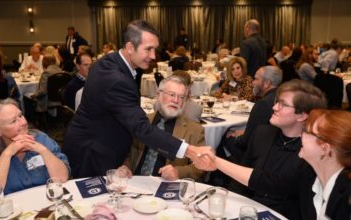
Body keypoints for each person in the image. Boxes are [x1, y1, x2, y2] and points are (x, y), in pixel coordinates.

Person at [62, 20, 212, 178]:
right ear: (130, 47)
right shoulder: (116, 79)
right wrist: (189, 150)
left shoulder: (108, 62)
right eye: (148, 49)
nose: (153, 56)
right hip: (93, 153)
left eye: (155, 49)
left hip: (94, 143)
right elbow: (141, 128)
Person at [196, 79, 327, 219]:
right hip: (249, 209)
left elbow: (270, 182)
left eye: (283, 104)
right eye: (277, 102)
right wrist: (230, 209)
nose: (274, 107)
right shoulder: (263, 133)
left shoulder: (311, 151)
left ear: (302, 115)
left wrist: (215, 161)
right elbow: (240, 179)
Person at [198, 109, 351, 219]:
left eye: (307, 132)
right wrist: (215, 161)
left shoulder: (346, 198)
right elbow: (267, 181)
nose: (301, 135)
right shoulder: (309, 174)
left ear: (324, 149)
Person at [0, 98, 69, 198]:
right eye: (13, 121)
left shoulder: (40, 138)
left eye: (20, 115)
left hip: (46, 203)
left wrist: (43, 151)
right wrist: (7, 154)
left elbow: (62, 178)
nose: (23, 122)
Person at [122, 75, 205, 181]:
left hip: (167, 188)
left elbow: (201, 167)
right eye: (172, 94)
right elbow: (127, 153)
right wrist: (125, 166)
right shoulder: (142, 122)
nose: (176, 100)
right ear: (158, 95)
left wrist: (178, 172)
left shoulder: (195, 130)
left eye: (181, 97)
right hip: (135, 183)